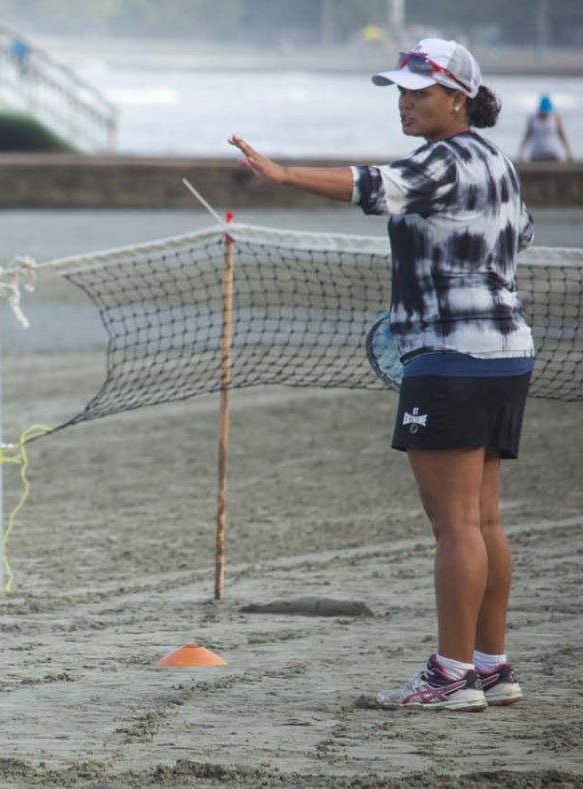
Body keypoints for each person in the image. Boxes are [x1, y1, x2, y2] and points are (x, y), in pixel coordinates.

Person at [228, 38, 533, 712]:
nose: (405, 102)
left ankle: (451, 674)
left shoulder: (443, 161)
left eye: (418, 92)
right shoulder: (497, 162)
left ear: (458, 97)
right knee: (483, 517)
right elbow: (522, 234)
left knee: (454, 522)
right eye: (400, 91)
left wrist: (282, 175)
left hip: (452, 357)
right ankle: (490, 665)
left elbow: (377, 187)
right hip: (507, 353)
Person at [517, 94, 573, 162]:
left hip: (552, 153)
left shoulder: (556, 118)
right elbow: (527, 136)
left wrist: (569, 152)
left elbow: (563, 136)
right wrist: (520, 153)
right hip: (536, 154)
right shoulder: (532, 118)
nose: (545, 113)